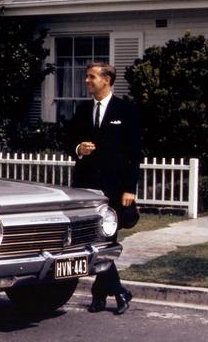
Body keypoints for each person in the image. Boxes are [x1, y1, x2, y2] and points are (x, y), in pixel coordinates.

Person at [67, 62, 141, 315]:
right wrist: (79, 149)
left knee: (105, 240)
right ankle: (113, 292)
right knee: (91, 239)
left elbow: (134, 154)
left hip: (114, 189)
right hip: (85, 188)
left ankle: (107, 293)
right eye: (87, 77)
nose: (87, 81)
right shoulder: (83, 109)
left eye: (91, 77)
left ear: (106, 80)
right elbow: (66, 140)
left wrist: (130, 188)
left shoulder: (126, 110)